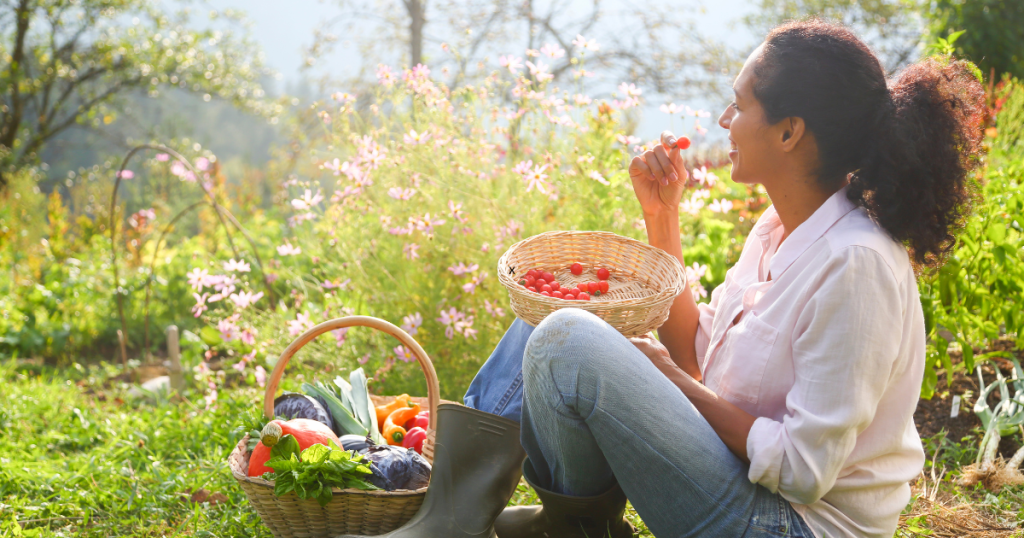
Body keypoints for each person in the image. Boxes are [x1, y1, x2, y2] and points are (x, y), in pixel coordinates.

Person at [341, 18, 985, 538]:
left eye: (739, 106)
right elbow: (698, 356)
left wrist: (669, 379)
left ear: (790, 132)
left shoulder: (857, 264)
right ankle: (491, 517)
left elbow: (802, 471)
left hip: (788, 523)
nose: (725, 123)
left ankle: (493, 523)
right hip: (737, 487)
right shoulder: (778, 229)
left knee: (569, 336)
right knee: (552, 312)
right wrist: (662, 216)